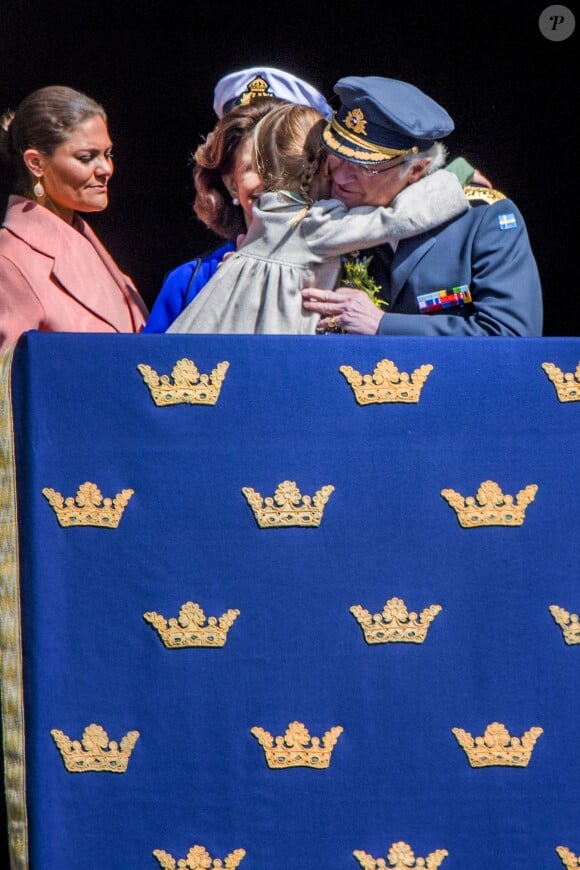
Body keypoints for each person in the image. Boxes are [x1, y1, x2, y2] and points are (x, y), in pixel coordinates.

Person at [145, 66, 490, 334]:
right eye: (253, 167)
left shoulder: (366, 256)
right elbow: (397, 217)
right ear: (229, 182)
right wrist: (454, 175)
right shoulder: (193, 281)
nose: (267, 183)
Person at [301, 76, 543, 337]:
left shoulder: (483, 220)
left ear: (416, 169)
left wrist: (383, 325)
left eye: (365, 167)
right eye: (339, 156)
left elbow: (511, 335)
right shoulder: (322, 208)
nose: (340, 178)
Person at [0, 85, 148, 355]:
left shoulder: (89, 244)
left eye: (108, 154)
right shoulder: (9, 262)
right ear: (36, 163)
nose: (106, 169)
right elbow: (10, 388)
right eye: (86, 157)